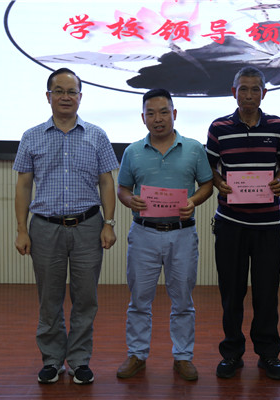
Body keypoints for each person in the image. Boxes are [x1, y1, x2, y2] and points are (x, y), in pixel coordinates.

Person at [13, 68, 119, 385]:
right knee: (50, 299)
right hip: (45, 228)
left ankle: (79, 361)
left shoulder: (97, 135)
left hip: (88, 226)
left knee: (85, 299)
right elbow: (23, 185)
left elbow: (106, 182)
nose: (65, 97)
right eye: (58, 91)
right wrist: (21, 229)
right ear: (48, 96)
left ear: (80, 97)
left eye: (71, 91)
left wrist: (109, 223)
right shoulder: (31, 136)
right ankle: (52, 360)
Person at [116, 88, 213, 381]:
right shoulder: (132, 152)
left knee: (183, 299)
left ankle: (183, 357)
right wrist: (129, 200)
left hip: (182, 234)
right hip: (143, 234)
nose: (157, 119)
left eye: (163, 112)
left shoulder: (194, 149)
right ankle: (137, 354)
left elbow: (207, 185)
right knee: (139, 299)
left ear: (174, 114)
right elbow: (122, 188)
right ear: (143, 117)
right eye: (151, 113)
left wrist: (193, 201)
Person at [205, 66, 280, 380]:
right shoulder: (219, 127)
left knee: (266, 293)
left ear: (264, 93)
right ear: (234, 92)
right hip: (230, 223)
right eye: (243, 88)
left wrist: (279, 181)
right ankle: (232, 353)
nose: (249, 95)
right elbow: (208, 165)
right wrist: (219, 182)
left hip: (268, 225)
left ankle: (268, 354)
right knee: (231, 292)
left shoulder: (277, 125)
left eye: (255, 89)